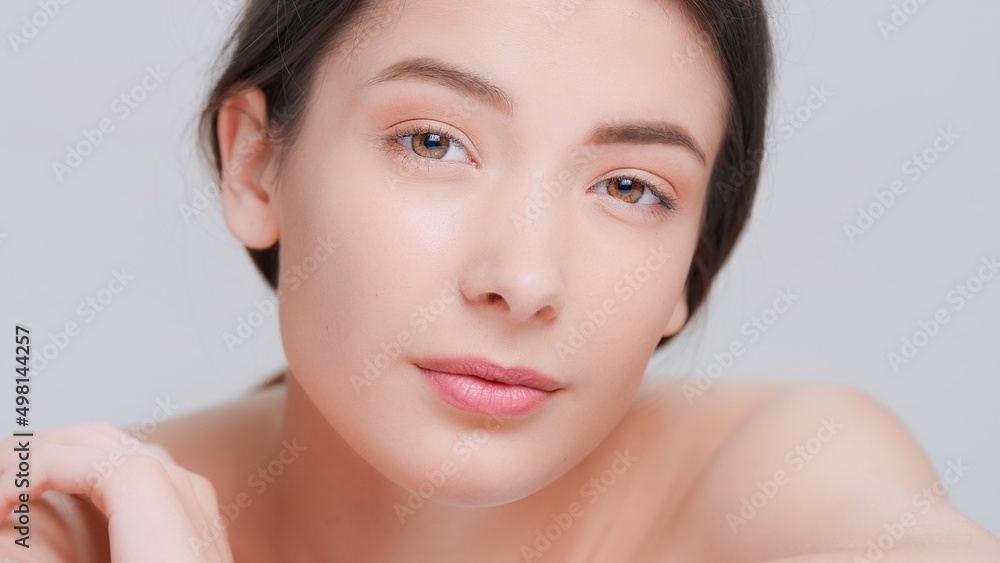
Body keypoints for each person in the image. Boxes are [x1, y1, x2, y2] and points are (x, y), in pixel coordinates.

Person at [2, 0, 999, 561]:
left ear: (688, 269)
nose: (523, 279)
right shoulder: (57, 514)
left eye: (630, 186)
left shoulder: (783, 473)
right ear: (257, 165)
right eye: (432, 141)